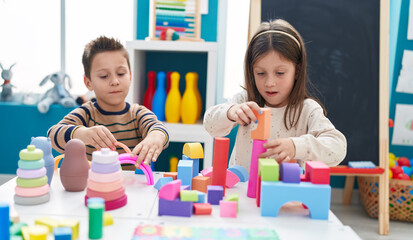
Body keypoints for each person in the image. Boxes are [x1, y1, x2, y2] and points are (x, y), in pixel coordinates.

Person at [204, 19, 346, 172]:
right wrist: (230, 112)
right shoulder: (245, 101)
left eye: (279, 73)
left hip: (285, 193)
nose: (269, 83)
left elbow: (338, 148)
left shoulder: (307, 110)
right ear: (251, 71)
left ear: (297, 70)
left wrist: (295, 146)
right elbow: (210, 125)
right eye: (260, 73)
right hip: (242, 191)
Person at [48, 36, 169, 168]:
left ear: (130, 75)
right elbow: (53, 134)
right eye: (104, 76)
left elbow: (158, 128)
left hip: (132, 187)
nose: (115, 81)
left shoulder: (138, 114)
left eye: (121, 74)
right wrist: (82, 134)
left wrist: (156, 136)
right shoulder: (86, 113)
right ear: (88, 83)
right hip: (95, 185)